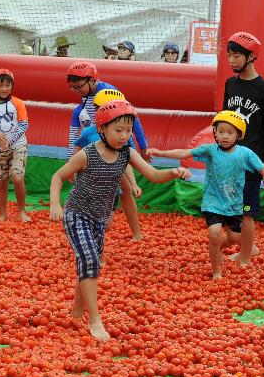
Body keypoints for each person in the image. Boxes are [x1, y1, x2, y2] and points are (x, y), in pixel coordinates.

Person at [49, 100, 190, 341]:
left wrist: (173, 172)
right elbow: (58, 176)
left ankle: (76, 311)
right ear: (102, 129)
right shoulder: (87, 154)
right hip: (77, 214)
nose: (124, 136)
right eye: (118, 130)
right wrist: (54, 204)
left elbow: (153, 175)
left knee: (88, 263)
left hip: (99, 219)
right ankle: (95, 320)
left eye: (128, 130)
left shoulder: (127, 152)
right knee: (90, 260)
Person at [147, 111, 264, 279]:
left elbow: (263, 169)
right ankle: (216, 272)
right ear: (215, 133)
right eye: (221, 132)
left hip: (234, 204)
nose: (224, 136)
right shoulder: (210, 150)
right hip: (213, 201)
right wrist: (161, 153)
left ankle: (216, 247)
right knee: (214, 233)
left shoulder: (245, 153)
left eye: (230, 132)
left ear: (238, 135)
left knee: (233, 238)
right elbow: (184, 153)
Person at [67, 61, 149, 241]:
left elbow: (131, 119)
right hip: (95, 150)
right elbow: (76, 136)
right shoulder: (85, 103)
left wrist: (143, 147)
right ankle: (93, 227)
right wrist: (70, 162)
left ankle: (136, 232)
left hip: (115, 149)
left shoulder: (109, 94)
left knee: (126, 188)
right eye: (72, 88)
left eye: (78, 86)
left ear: (91, 80)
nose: (77, 90)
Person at [223, 31, 264, 266]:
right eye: (229, 56)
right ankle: (248, 246)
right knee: (227, 207)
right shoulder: (230, 84)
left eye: (236, 56)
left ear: (252, 56)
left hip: (251, 160)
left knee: (246, 211)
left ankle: (245, 256)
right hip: (229, 158)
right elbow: (223, 121)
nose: (231, 61)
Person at [0, 68, 30, 223]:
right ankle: (3, 214)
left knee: (17, 177)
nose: (4, 89)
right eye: (0, 85)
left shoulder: (18, 103)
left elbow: (24, 124)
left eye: (7, 85)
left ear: (12, 86)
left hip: (18, 146)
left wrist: (12, 138)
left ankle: (22, 211)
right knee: (1, 182)